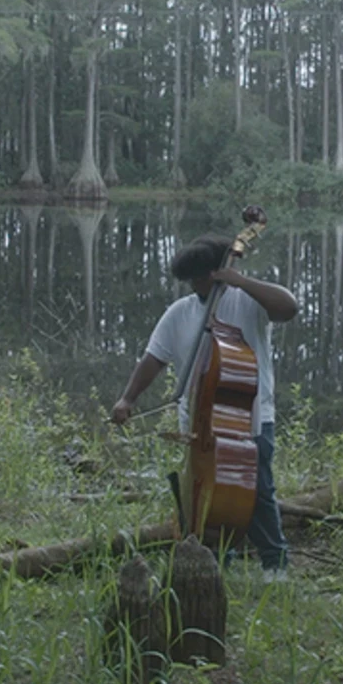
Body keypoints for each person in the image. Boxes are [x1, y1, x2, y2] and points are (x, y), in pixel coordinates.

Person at [111, 234, 298, 577]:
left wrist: (241, 281)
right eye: (191, 280)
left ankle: (275, 562)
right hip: (199, 424)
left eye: (200, 277)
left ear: (216, 272)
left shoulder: (247, 301)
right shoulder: (180, 312)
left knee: (257, 494)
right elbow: (153, 359)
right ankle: (213, 558)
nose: (195, 285)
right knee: (203, 496)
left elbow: (288, 307)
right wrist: (128, 398)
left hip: (250, 420)